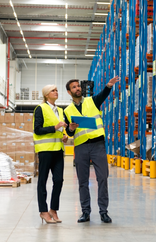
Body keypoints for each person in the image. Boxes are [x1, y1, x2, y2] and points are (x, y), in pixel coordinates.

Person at [64, 77, 120, 223]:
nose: (78, 89)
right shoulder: (67, 110)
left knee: (102, 178)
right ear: (69, 92)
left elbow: (103, 94)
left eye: (78, 86)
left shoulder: (92, 101)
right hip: (81, 147)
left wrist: (108, 86)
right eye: (74, 87)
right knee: (83, 181)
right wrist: (70, 128)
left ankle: (103, 212)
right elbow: (69, 132)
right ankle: (85, 212)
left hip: (98, 145)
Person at [34, 85, 67, 224]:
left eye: (57, 90)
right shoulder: (40, 108)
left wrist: (64, 135)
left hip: (58, 149)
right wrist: (55, 127)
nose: (56, 92)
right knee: (43, 180)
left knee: (59, 180)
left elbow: (61, 130)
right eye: (53, 90)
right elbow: (37, 130)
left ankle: (53, 210)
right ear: (46, 95)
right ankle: (43, 211)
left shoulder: (60, 110)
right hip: (45, 150)